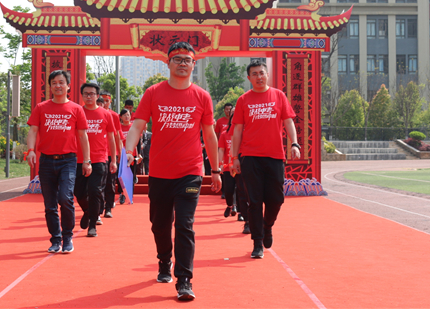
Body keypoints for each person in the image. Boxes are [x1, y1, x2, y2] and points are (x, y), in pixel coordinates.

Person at [124, 41, 222, 301]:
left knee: (185, 225)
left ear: (193, 64)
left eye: (186, 59)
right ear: (168, 63)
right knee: (159, 224)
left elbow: (210, 136)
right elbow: (137, 126)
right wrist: (129, 150)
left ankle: (185, 279)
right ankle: (164, 260)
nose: (182, 63)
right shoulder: (153, 93)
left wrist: (216, 170)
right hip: (159, 172)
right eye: (176, 59)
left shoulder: (202, 96)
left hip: (190, 171)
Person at [231, 60, 300, 259]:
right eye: (254, 74)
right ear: (249, 78)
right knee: (254, 201)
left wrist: (294, 143)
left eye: (262, 73)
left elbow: (288, 121)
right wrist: (234, 157)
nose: (259, 77)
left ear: (267, 74)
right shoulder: (244, 100)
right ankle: (257, 242)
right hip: (250, 157)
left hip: (275, 156)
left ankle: (267, 225)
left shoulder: (278, 96)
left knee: (276, 199)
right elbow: (237, 130)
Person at [26, 70, 91, 254]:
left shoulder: (76, 109)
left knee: (66, 198)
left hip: (68, 161)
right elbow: (32, 131)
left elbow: (83, 136)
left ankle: (67, 237)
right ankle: (55, 239)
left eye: (61, 82)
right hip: (46, 161)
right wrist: (31, 151)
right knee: (50, 204)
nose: (58, 85)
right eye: (54, 83)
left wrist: (87, 161)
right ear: (50, 86)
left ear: (68, 86)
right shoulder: (41, 107)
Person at [74, 83, 118, 237]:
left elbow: (112, 138)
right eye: (86, 93)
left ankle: (93, 224)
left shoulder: (106, 114)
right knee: (78, 192)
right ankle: (87, 211)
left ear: (97, 95)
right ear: (82, 95)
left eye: (92, 93)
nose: (89, 96)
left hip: (99, 159)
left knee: (95, 191)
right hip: (79, 159)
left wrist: (113, 160)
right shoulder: (77, 112)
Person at [218, 113, 249, 234]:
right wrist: (223, 163)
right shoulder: (226, 133)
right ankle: (231, 205)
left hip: (247, 162)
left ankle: (242, 214)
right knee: (231, 189)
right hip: (231, 165)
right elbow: (222, 149)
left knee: (243, 190)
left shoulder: (249, 129)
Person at [99, 91, 124, 217]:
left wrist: (119, 154)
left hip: (110, 153)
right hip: (97, 154)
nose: (104, 103)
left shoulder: (114, 116)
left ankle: (108, 207)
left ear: (110, 102)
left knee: (109, 182)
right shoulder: (93, 113)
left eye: (107, 101)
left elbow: (118, 136)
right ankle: (98, 207)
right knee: (98, 183)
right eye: (102, 100)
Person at [119, 108, 142, 192]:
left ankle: (130, 192)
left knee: (131, 174)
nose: (126, 117)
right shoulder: (119, 127)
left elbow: (138, 141)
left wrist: (139, 153)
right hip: (121, 154)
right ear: (121, 117)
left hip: (133, 154)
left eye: (128, 115)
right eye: (124, 115)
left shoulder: (133, 127)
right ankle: (122, 193)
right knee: (121, 174)